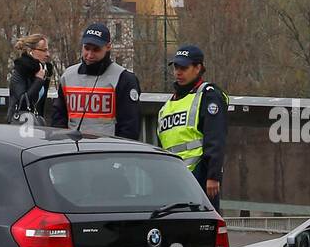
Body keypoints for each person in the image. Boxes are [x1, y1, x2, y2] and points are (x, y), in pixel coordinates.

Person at [156, 44, 228, 210]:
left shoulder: (208, 95)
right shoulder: (167, 106)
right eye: (176, 67)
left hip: (199, 177)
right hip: (173, 178)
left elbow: (215, 138)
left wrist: (213, 176)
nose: (178, 72)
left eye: (184, 68)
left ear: (198, 68)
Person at [51, 22, 141, 140]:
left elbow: (129, 126)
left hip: (107, 153)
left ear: (108, 47)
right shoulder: (68, 76)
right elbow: (59, 117)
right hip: (72, 150)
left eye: (96, 50)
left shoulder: (124, 79)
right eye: (86, 48)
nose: (89, 55)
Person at [7, 34, 53, 124]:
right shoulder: (20, 71)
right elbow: (23, 102)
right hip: (19, 125)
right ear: (31, 51)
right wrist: (38, 80)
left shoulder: (43, 71)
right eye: (43, 50)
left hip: (36, 124)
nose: (47, 54)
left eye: (47, 50)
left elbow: (40, 106)